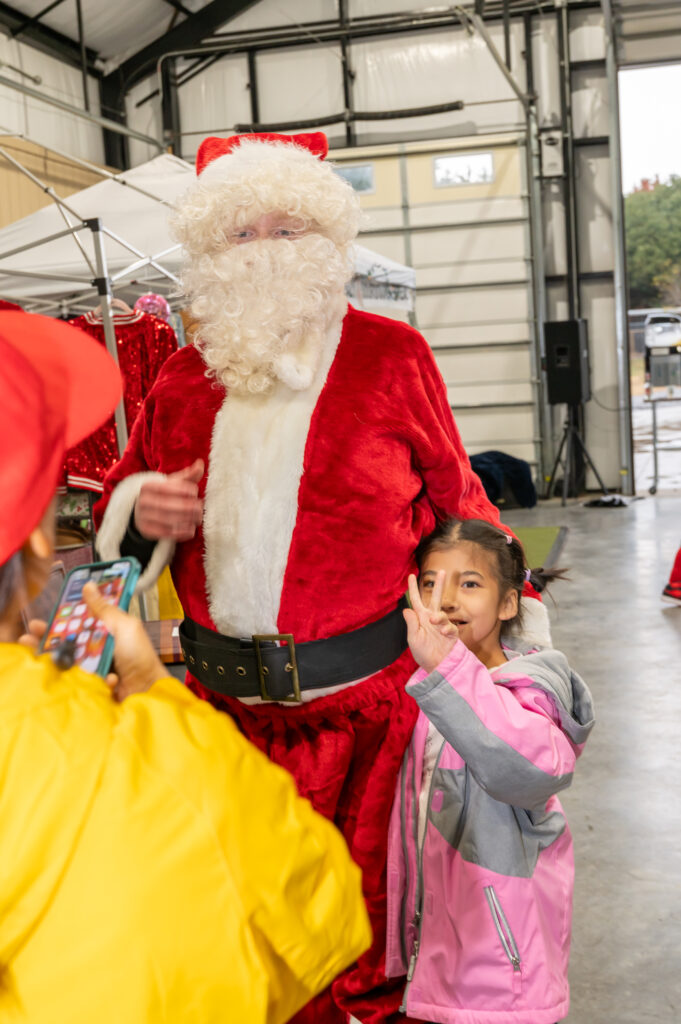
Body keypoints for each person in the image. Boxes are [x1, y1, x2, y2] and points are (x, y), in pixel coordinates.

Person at [94, 131, 550, 1023]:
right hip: (222, 725)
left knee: (365, 950)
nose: (266, 251)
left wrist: (512, 645)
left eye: (289, 230)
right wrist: (138, 509)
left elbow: (460, 506)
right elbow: (120, 512)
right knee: (240, 943)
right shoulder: (182, 379)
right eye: (242, 234)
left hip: (371, 721)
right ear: (211, 252)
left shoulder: (390, 355)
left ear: (329, 243)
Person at [0, 311, 370, 1023]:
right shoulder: (136, 758)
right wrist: (152, 696)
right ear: (41, 552)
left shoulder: (384, 357)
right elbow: (310, 905)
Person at [385, 518, 595, 1024]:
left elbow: (528, 768)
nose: (446, 599)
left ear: (508, 604)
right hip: (439, 948)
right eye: (430, 582)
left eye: (469, 583)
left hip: (504, 964)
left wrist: (446, 669)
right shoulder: (425, 683)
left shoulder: (530, 687)